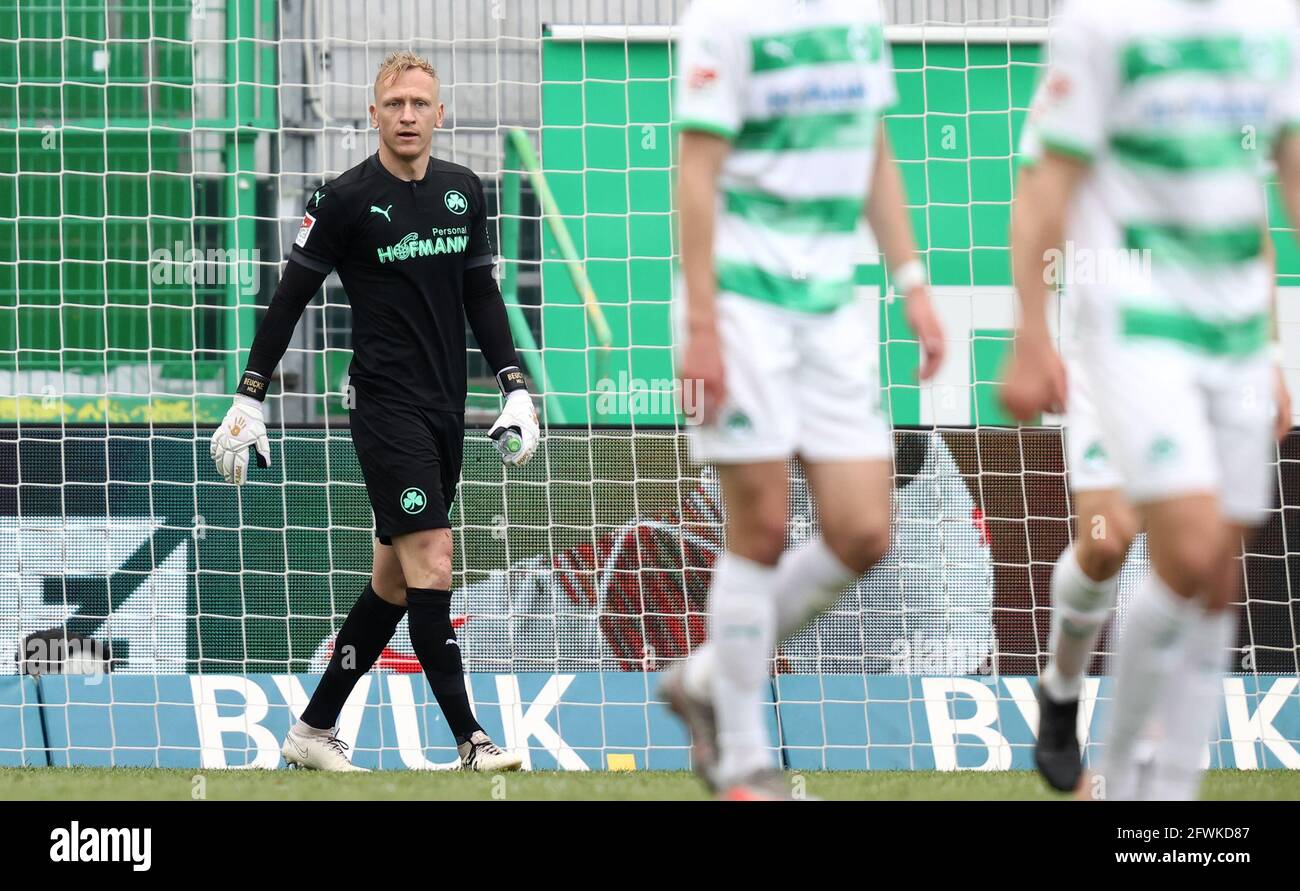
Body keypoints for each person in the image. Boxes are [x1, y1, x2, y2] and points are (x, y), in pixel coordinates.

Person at [209, 51, 539, 772]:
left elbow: (481, 294)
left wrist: (514, 384)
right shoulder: (343, 199)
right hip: (383, 406)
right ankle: (472, 740)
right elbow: (289, 297)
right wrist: (250, 393)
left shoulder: (462, 192)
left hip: (446, 408)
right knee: (434, 559)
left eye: (421, 103)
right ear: (374, 114)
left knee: (393, 581)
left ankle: (312, 729)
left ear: (440, 112)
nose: (409, 115)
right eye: (396, 104)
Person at [1003, 0, 1300, 799]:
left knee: (1214, 574)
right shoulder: (1101, 28)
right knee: (1110, 541)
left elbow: (1268, 196)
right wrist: (1031, 331)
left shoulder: (1272, 28)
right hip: (1124, 338)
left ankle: (1160, 795)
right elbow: (1043, 186)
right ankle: (1063, 694)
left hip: (1231, 337)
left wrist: (1272, 351)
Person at [665, 0, 945, 799]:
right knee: (759, 528)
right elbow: (696, 171)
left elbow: (873, 153)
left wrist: (912, 283)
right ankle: (746, 764)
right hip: (741, 306)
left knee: (864, 529)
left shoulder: (861, 14)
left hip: (832, 309)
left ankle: (711, 675)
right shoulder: (723, 18)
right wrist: (703, 324)